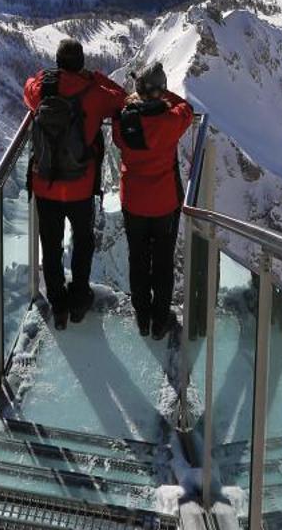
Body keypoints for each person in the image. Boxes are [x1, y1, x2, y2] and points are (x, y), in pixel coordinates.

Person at [23, 38, 126, 330]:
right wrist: (94, 77)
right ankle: (80, 300)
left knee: (51, 247)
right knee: (83, 243)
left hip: (45, 186)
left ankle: (59, 306)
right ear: (81, 63)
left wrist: (46, 76)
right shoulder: (94, 93)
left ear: (58, 63)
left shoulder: (42, 89)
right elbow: (122, 97)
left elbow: (27, 87)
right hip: (81, 186)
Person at [112, 61, 194, 338]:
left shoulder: (124, 120)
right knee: (162, 262)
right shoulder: (171, 121)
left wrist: (140, 98)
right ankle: (160, 321)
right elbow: (186, 109)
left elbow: (116, 134)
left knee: (138, 259)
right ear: (160, 91)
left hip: (133, 202)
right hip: (164, 204)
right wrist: (163, 95)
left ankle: (142, 316)